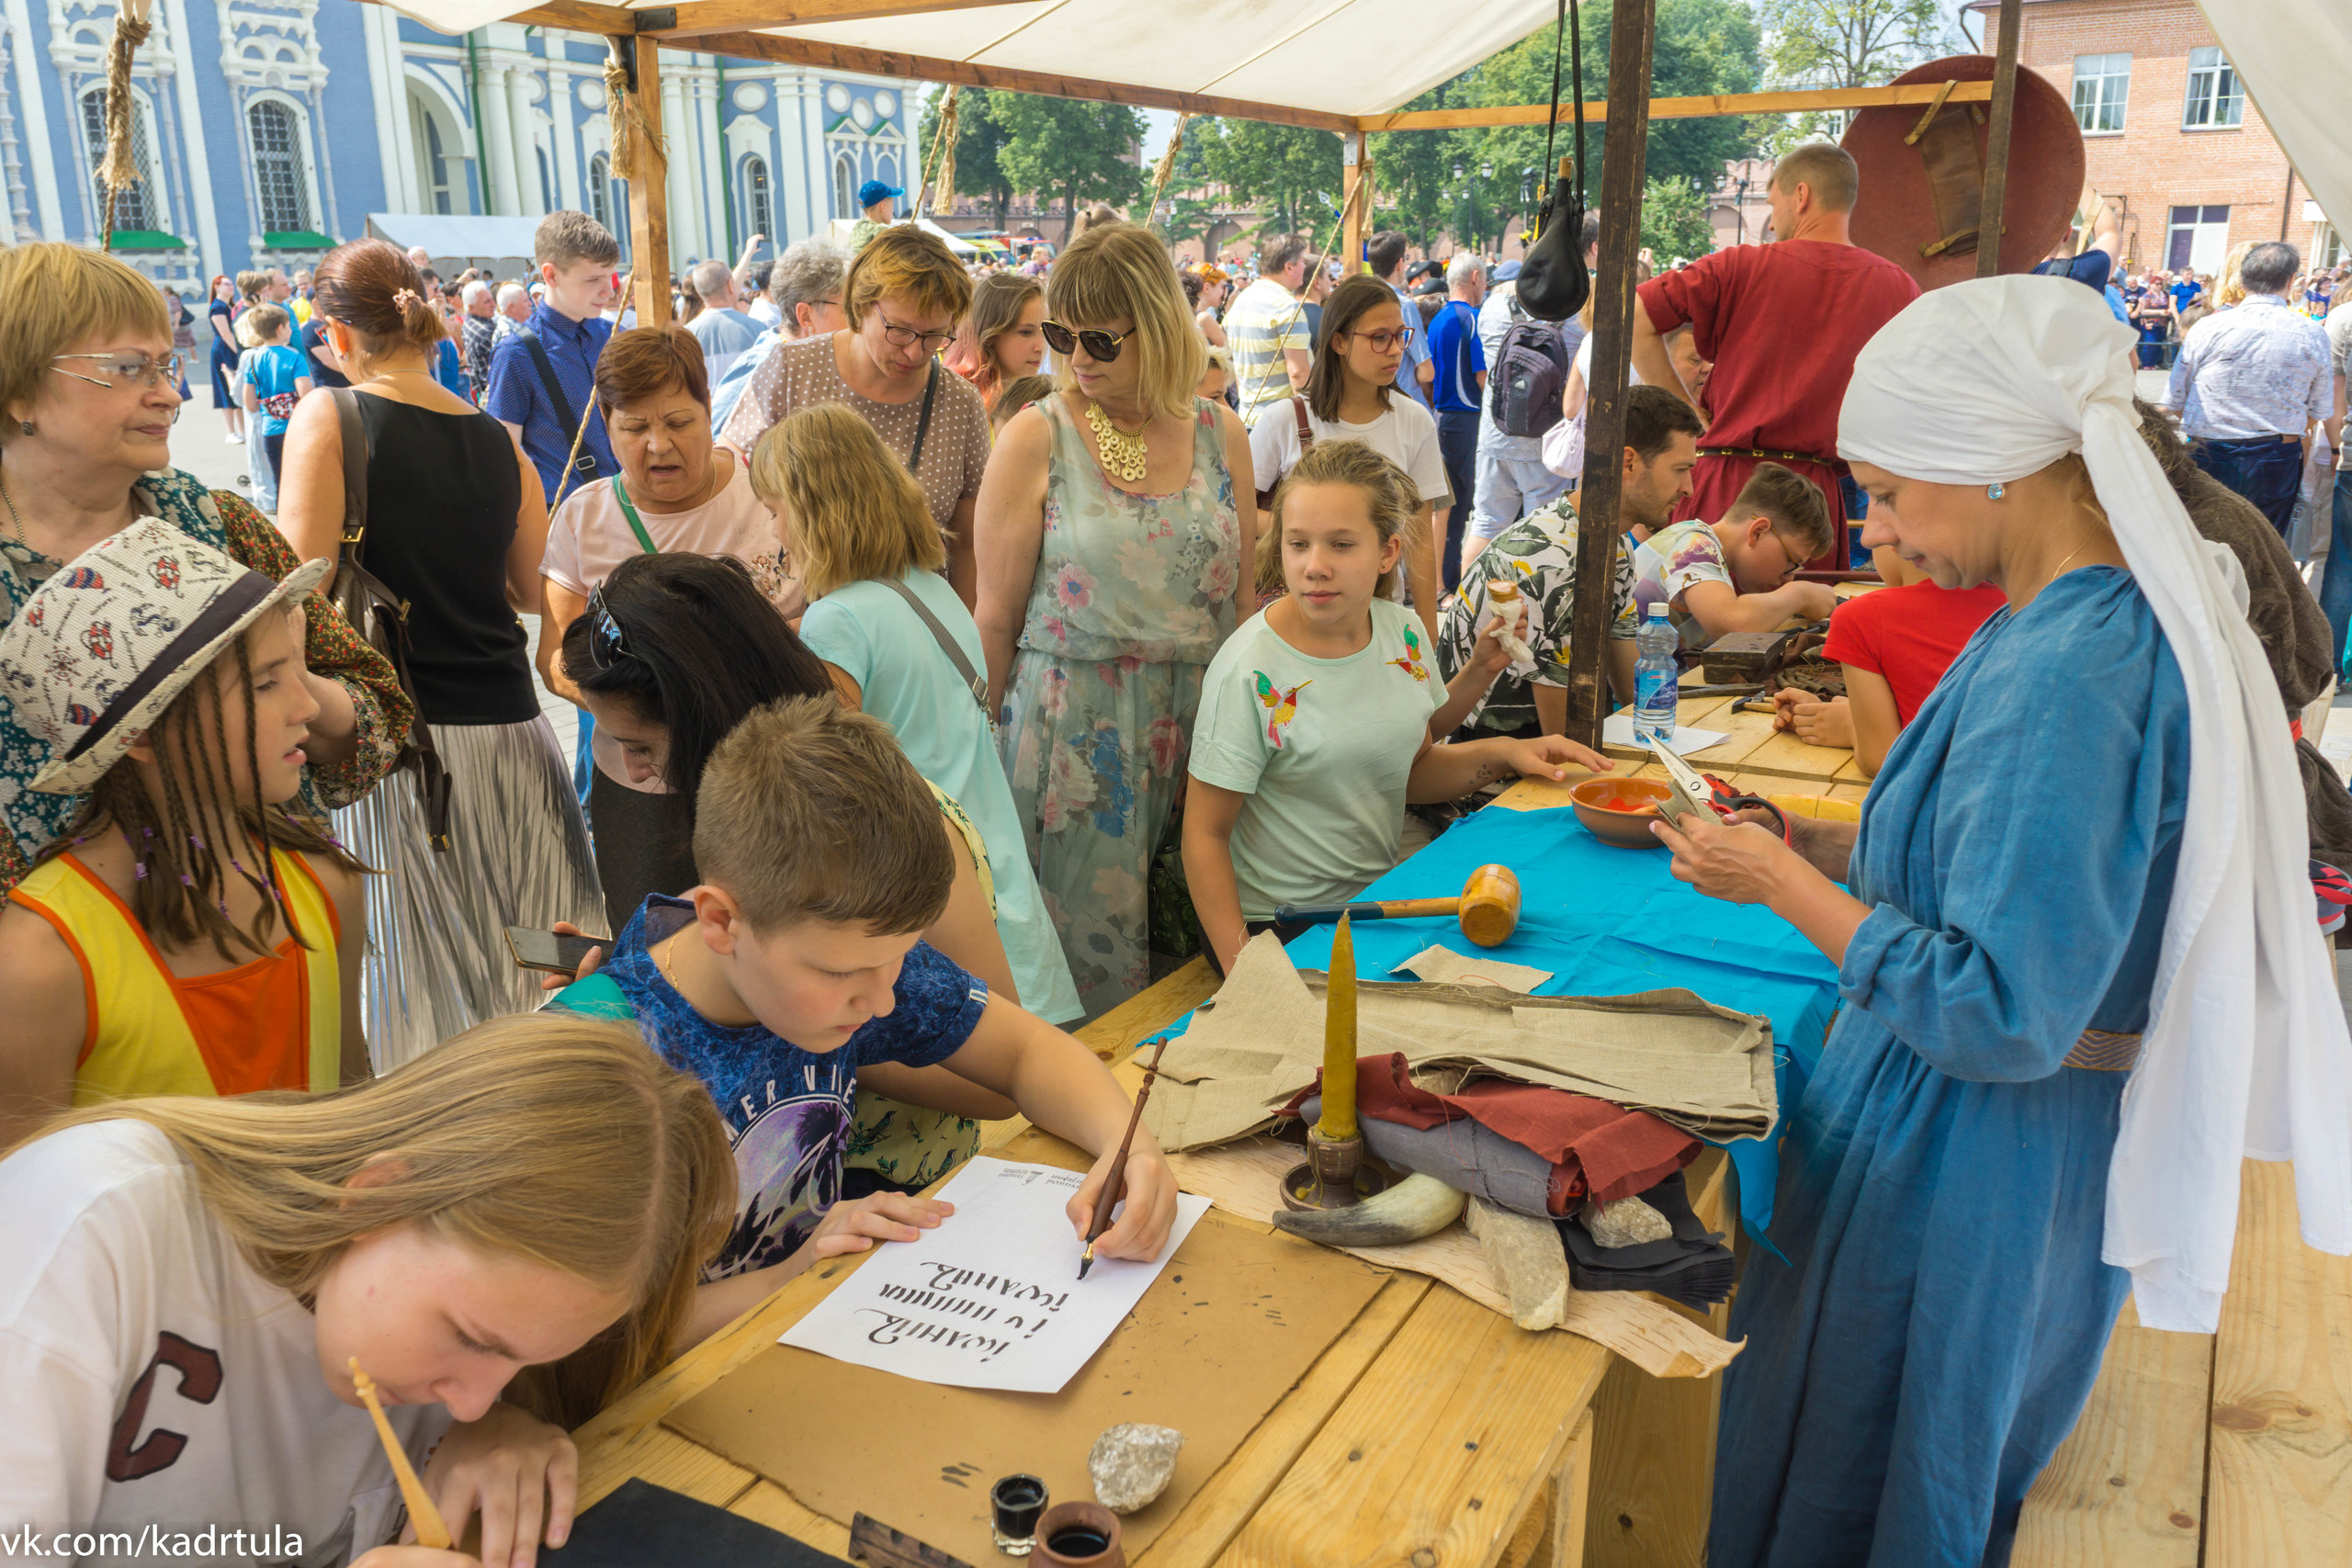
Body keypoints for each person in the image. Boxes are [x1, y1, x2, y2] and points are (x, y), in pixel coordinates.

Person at [1678, 276, 2347, 1568]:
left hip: (1970, 1159)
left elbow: (2004, 1006)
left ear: (1994, 466)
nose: (1876, 522)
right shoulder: (2061, 621)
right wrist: (1812, 842)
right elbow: (1983, 861)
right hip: (1986, 1146)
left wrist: (1786, 886)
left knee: (1873, 1476)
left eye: (1888, 486)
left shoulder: (2069, 666)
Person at [549, 695, 1181, 1346]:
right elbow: (588, 1335)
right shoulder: (608, 1056)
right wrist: (792, 1274)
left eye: (898, 961)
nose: (882, 1001)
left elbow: (1026, 1052)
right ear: (719, 922)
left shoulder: (848, 956)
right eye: (840, 974)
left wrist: (1125, 1146)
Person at [0, 1010, 737, 1568]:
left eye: (519, 1363)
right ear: (374, 1195)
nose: (472, 1397)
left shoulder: (441, 1377)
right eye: (474, 1338)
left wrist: (512, 1419)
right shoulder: (88, 1228)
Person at [277, 239, 600, 1069]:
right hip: (516, 740)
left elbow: (293, 593)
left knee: (419, 1000)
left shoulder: (331, 417)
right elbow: (532, 588)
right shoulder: (498, 440)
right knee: (542, 962)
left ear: (338, 337)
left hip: (400, 748)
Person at [0, 243, 407, 894]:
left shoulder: (222, 529)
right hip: (51, 969)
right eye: (129, 368)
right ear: (20, 389)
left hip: (257, 915)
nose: (169, 395)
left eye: (166, 365)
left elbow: (380, 716)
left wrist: (285, 680)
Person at [0, 524, 367, 1148]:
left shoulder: (329, 886)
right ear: (140, 734)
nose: (307, 707)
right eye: (265, 682)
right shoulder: (39, 962)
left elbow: (355, 1105)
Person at [1182, 440, 1603, 975]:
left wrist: (1501, 733)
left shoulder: (1401, 630)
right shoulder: (1248, 669)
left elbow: (1408, 765)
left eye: (1340, 545)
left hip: (1379, 901)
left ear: (1388, 551)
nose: (1314, 567)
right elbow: (1203, 837)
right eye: (1298, 544)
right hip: (1281, 926)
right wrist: (1249, 974)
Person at [974, 220, 1253, 1017]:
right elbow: (993, 620)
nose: (1075, 359)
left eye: (1099, 339)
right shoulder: (1037, 435)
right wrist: (979, 761)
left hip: (1202, 730)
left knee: (1196, 961)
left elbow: (1239, 605)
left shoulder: (1219, 432)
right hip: (1071, 741)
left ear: (1158, 327)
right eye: (1061, 335)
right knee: (1085, 988)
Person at [755, 404, 1083, 1025]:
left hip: (935, 905)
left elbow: (834, 780)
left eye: (775, 511)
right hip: (1002, 889)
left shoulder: (839, 619)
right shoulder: (930, 589)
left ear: (809, 510)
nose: (775, 532)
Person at [535, 323, 797, 911]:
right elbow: (554, 659)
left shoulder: (767, 493)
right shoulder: (584, 516)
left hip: (765, 778)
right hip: (640, 787)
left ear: (710, 409)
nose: (658, 445)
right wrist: (652, 719)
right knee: (651, 941)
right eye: (634, 427)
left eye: (678, 422)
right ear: (607, 424)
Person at [1633, 141, 1919, 546]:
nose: (1772, 216)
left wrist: (1687, 412)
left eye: (1773, 201)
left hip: (1729, 489)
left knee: (1699, 607)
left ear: (1801, 196)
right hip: (1813, 499)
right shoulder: (1899, 288)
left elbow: (1635, 313)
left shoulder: (1739, 265)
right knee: (1808, 609)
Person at [719, 225, 989, 602]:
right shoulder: (793, 369)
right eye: (900, 331)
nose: (915, 352)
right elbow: (730, 473)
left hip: (912, 628)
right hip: (800, 618)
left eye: (934, 337)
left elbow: (967, 545)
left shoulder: (959, 402)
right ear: (862, 306)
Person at [1437, 385, 1702, 739]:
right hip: (1494, 752)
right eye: (1681, 469)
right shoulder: (1554, 561)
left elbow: (1629, 693)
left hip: (1541, 738)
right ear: (1628, 462)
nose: (1689, 488)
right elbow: (1562, 739)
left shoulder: (1614, 542)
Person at [1248, 273, 1450, 639]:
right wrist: (1307, 531)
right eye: (1379, 338)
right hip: (1295, 615)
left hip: (1380, 619)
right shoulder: (1285, 419)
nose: (1394, 350)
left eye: (1400, 337)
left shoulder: (1415, 421)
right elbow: (1237, 514)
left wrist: (1428, 635)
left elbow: (1420, 541)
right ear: (1338, 341)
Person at [1770, 543, 2007, 776]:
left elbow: (1882, 759)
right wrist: (1858, 718)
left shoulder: (1862, 617)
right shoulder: (2017, 602)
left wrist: (1850, 727)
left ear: (1893, 538)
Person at [2164, 241, 2332, 538]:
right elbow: (2317, 410)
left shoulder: (2208, 327)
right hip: (2272, 453)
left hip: (2211, 447)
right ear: (2292, 281)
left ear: (2241, 280)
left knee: (2205, 544)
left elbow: (2175, 399)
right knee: (2264, 549)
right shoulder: (2311, 332)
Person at [485, 211, 623, 512]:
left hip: (629, 504)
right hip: (563, 515)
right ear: (551, 275)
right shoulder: (517, 353)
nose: (609, 291)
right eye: (593, 279)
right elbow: (504, 458)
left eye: (611, 276)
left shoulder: (616, 335)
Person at [1464, 251, 1586, 558]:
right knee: (1542, 533)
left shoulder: (1492, 308)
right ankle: (1534, 606)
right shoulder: (1576, 321)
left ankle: (1470, 605)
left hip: (1496, 436)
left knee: (1486, 525)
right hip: (1545, 447)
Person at [707, 237, 847, 434]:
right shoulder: (761, 365)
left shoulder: (817, 358)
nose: (857, 319)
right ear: (806, 316)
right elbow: (717, 445)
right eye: (848, 308)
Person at [1426, 255, 1487, 583]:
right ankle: (1449, 581)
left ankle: (1445, 580)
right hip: (1466, 418)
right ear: (1476, 277)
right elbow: (1482, 377)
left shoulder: (1437, 319)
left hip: (1442, 416)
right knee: (1458, 506)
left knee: (1448, 505)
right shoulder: (1472, 318)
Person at [1225, 232, 1315, 428]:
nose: (1305, 267)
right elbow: (1299, 373)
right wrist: (1312, 421)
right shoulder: (1286, 307)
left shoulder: (1242, 300)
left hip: (1247, 415)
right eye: (1301, 261)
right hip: (1282, 422)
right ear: (1288, 267)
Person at [236, 302, 311, 496]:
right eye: (289, 326)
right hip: (297, 429)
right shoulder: (295, 357)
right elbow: (306, 395)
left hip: (270, 431)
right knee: (304, 482)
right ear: (281, 328)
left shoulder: (252, 360)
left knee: (281, 484)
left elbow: (251, 405)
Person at [947, 272, 1046, 412]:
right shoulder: (955, 398)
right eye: (1026, 332)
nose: (1040, 347)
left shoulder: (1045, 400)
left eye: (1044, 332)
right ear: (990, 334)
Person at [1367, 231, 1436, 410]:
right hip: (1404, 402)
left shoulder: (1361, 301)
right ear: (1400, 263)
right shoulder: (1403, 305)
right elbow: (1426, 371)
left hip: (1371, 401)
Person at [682, 258, 763, 386]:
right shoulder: (758, 329)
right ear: (730, 285)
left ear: (698, 291)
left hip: (706, 405)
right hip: (748, 404)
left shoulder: (686, 335)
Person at [204, 273, 245, 443]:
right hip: (224, 350)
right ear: (217, 287)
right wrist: (238, 352)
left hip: (232, 348)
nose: (231, 286)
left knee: (239, 388)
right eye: (226, 284)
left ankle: (243, 431)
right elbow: (226, 334)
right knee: (226, 389)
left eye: (231, 284)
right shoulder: (218, 307)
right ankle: (231, 432)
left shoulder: (230, 306)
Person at [459, 278, 498, 401]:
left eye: (492, 299)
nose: (493, 304)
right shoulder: (485, 331)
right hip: (493, 395)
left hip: (483, 394)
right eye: (487, 302)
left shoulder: (470, 322)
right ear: (471, 307)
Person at [850, 178, 901, 255]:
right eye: (892, 206)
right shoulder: (881, 233)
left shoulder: (857, 228)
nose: (892, 211)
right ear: (883, 207)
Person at [1186, 262, 1231, 349]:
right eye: (1222, 287)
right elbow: (1230, 352)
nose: (1224, 292)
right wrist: (1227, 310)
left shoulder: (1188, 313)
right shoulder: (1203, 318)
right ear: (1207, 288)